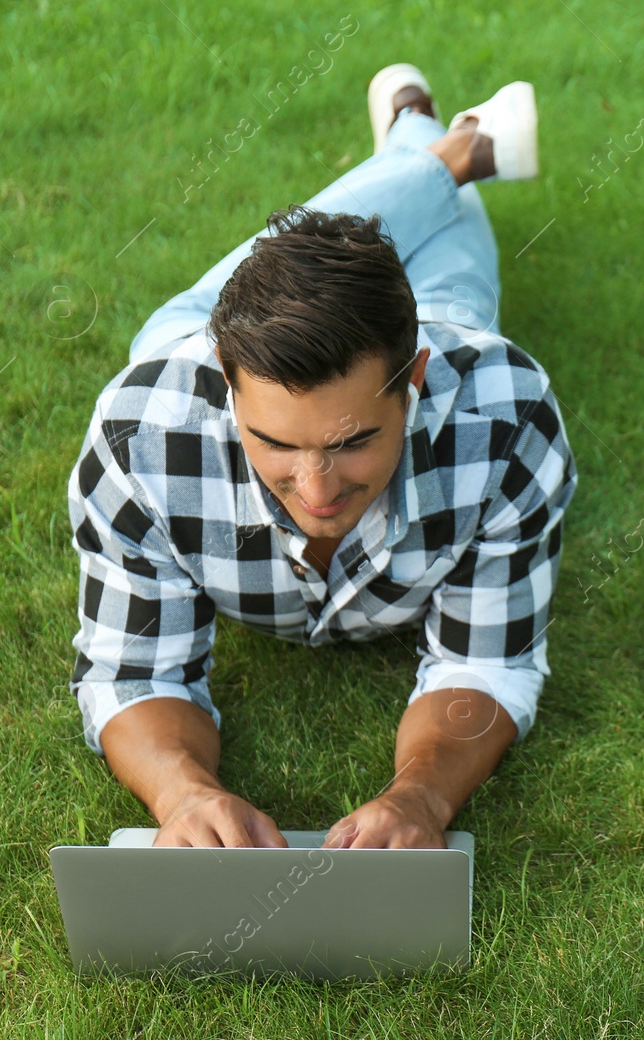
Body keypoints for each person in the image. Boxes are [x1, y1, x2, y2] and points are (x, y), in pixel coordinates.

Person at [65, 65, 575, 849]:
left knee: (446, 245)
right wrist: (181, 793)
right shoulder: (144, 437)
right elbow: (132, 672)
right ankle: (447, 145)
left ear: (415, 379)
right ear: (226, 389)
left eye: (351, 442)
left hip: (438, 309)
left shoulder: (503, 418)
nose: (317, 488)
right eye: (275, 442)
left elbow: (488, 662)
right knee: (304, 256)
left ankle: (431, 139)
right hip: (193, 324)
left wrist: (422, 799)